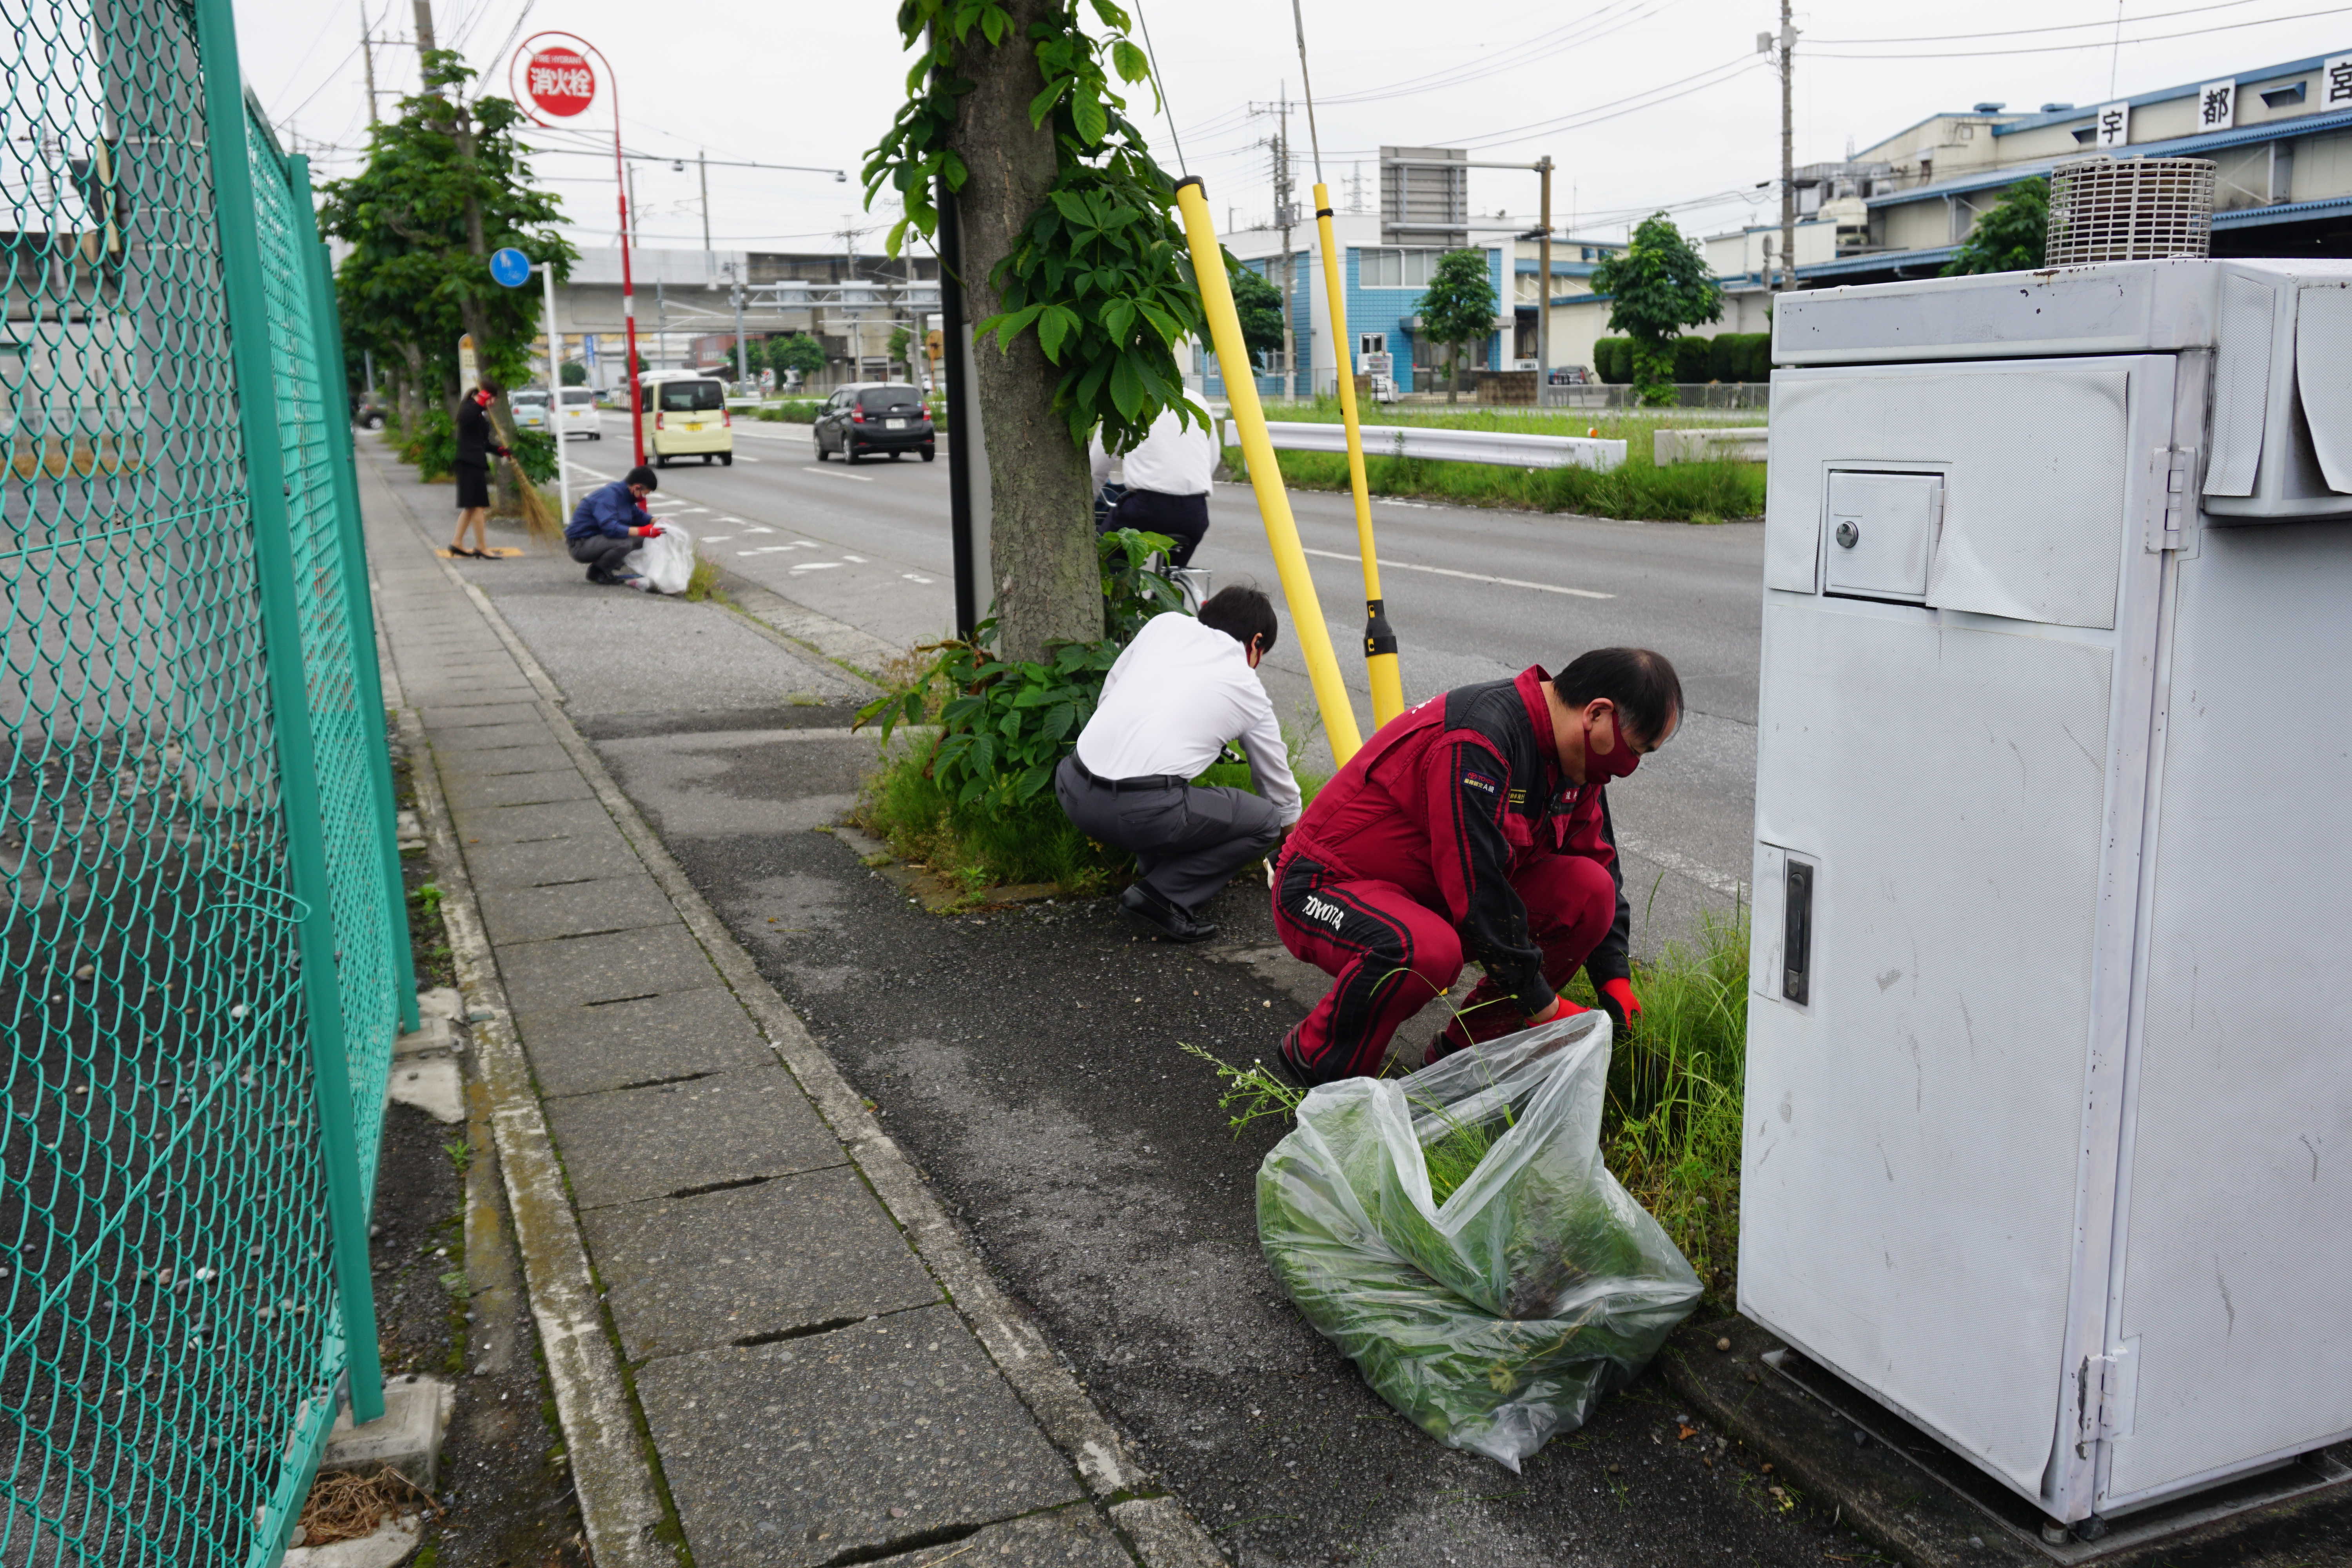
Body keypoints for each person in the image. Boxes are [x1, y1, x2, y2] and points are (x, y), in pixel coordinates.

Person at [1270, 647, 1682, 1085]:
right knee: (1424, 951)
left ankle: (1462, 1063)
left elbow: (1598, 859)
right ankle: (1320, 1062)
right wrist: (1543, 1005)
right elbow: (1477, 888)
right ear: (1597, 714)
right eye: (1635, 751)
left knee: (1590, 893)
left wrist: (1613, 977)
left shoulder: (1575, 763)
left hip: (1432, 897)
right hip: (1323, 885)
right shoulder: (1480, 739)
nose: (1630, 768)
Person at [1056, 586, 1299, 943]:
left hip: (1072, 786)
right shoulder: (1247, 687)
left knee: (1166, 788)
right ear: (1256, 642)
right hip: (1138, 813)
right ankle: (1163, 896)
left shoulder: (1164, 625)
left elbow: (1110, 695)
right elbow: (1278, 790)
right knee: (1263, 820)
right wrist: (1296, 858)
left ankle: (1154, 871)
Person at [1089, 403, 1218, 567]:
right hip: (1195, 511)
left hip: (1145, 508)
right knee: (1171, 575)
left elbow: (1097, 468)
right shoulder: (1198, 400)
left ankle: (1121, 589)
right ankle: (1170, 588)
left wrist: (1087, 504)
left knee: (1107, 561)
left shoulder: (1125, 400)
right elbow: (1212, 459)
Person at [564, 465, 666, 589]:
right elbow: (610, 528)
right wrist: (642, 531)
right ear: (636, 487)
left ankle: (608, 568)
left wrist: (659, 522)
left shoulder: (626, 496)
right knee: (625, 543)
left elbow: (638, 516)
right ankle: (597, 572)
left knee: (645, 539)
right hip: (581, 544)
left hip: (597, 540)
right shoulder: (609, 496)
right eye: (644, 494)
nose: (643, 498)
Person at [450, 381, 510, 559]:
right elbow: (465, 418)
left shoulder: (480, 414)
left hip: (475, 462)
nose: (493, 405)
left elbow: (483, 443)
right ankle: (482, 547)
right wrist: (481, 401)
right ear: (486, 396)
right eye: (493, 400)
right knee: (478, 507)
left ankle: (457, 543)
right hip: (468, 463)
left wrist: (501, 451)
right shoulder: (469, 408)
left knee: (471, 507)